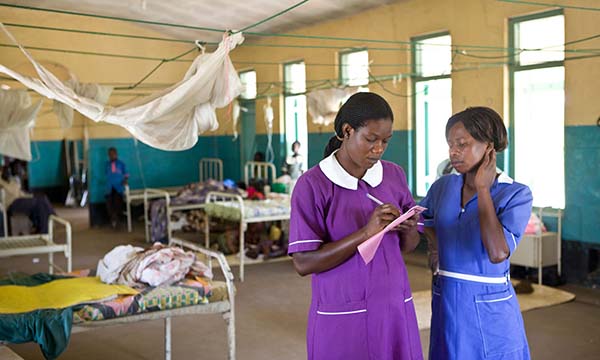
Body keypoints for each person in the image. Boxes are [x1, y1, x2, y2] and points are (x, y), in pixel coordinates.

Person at [288, 92, 423, 360]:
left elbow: (408, 247)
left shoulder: (393, 174)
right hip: (342, 312)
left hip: (394, 307)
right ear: (347, 131)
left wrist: (408, 228)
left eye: (385, 141)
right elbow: (303, 263)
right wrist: (365, 233)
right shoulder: (313, 185)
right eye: (371, 139)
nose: (379, 149)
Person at [419, 107, 533, 360]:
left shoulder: (515, 194)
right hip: (446, 299)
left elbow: (498, 252)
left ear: (489, 147)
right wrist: (435, 248)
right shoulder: (442, 187)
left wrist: (483, 190)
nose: (453, 152)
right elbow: (422, 220)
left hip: (489, 308)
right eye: (450, 144)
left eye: (462, 144)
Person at [0, 165, 55, 235]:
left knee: (42, 198)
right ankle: (45, 229)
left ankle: (43, 227)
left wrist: (32, 196)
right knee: (38, 202)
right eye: (4, 171)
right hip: (11, 204)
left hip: (20, 200)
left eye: (8, 171)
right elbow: (12, 192)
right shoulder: (2, 182)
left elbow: (20, 193)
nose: (7, 173)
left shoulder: (12, 181)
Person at [105, 147, 128, 229]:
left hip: (119, 187)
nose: (111, 156)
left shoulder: (121, 164)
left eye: (113, 154)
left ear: (116, 154)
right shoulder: (107, 164)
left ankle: (118, 222)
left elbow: (126, 174)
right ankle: (113, 221)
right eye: (110, 154)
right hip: (110, 187)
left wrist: (124, 180)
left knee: (118, 205)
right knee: (110, 206)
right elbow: (107, 174)